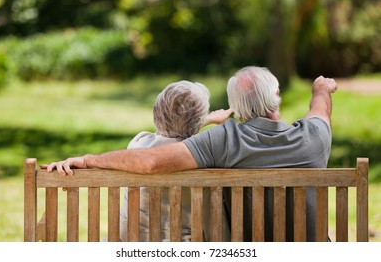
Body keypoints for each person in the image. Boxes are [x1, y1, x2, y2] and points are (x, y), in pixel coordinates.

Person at [42, 66, 337, 241]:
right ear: (277, 97)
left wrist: (90, 159)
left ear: (237, 104)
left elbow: (152, 159)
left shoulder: (223, 140)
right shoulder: (314, 137)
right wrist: (321, 90)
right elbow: (319, 112)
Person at [119, 80, 232, 242]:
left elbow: (169, 136)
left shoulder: (138, 144)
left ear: (156, 112)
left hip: (132, 243)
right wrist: (204, 120)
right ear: (197, 121)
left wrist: (203, 120)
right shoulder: (202, 156)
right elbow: (185, 141)